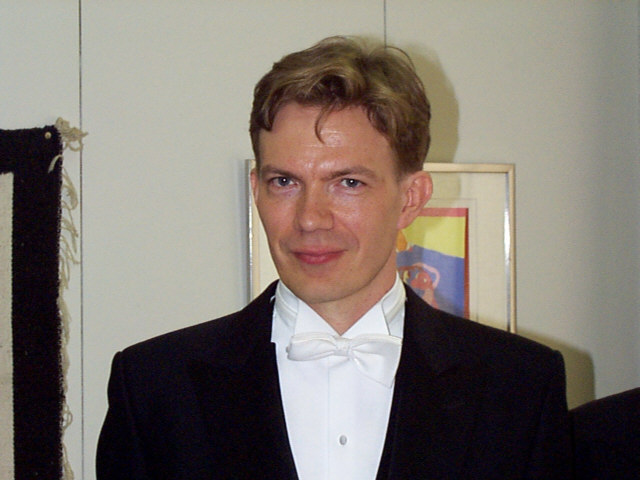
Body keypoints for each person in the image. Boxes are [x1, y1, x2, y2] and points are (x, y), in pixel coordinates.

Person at [96, 36, 572, 479]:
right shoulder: (155, 387)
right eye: (285, 182)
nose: (310, 219)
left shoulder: (520, 386)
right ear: (256, 191)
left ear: (411, 199)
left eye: (348, 183)